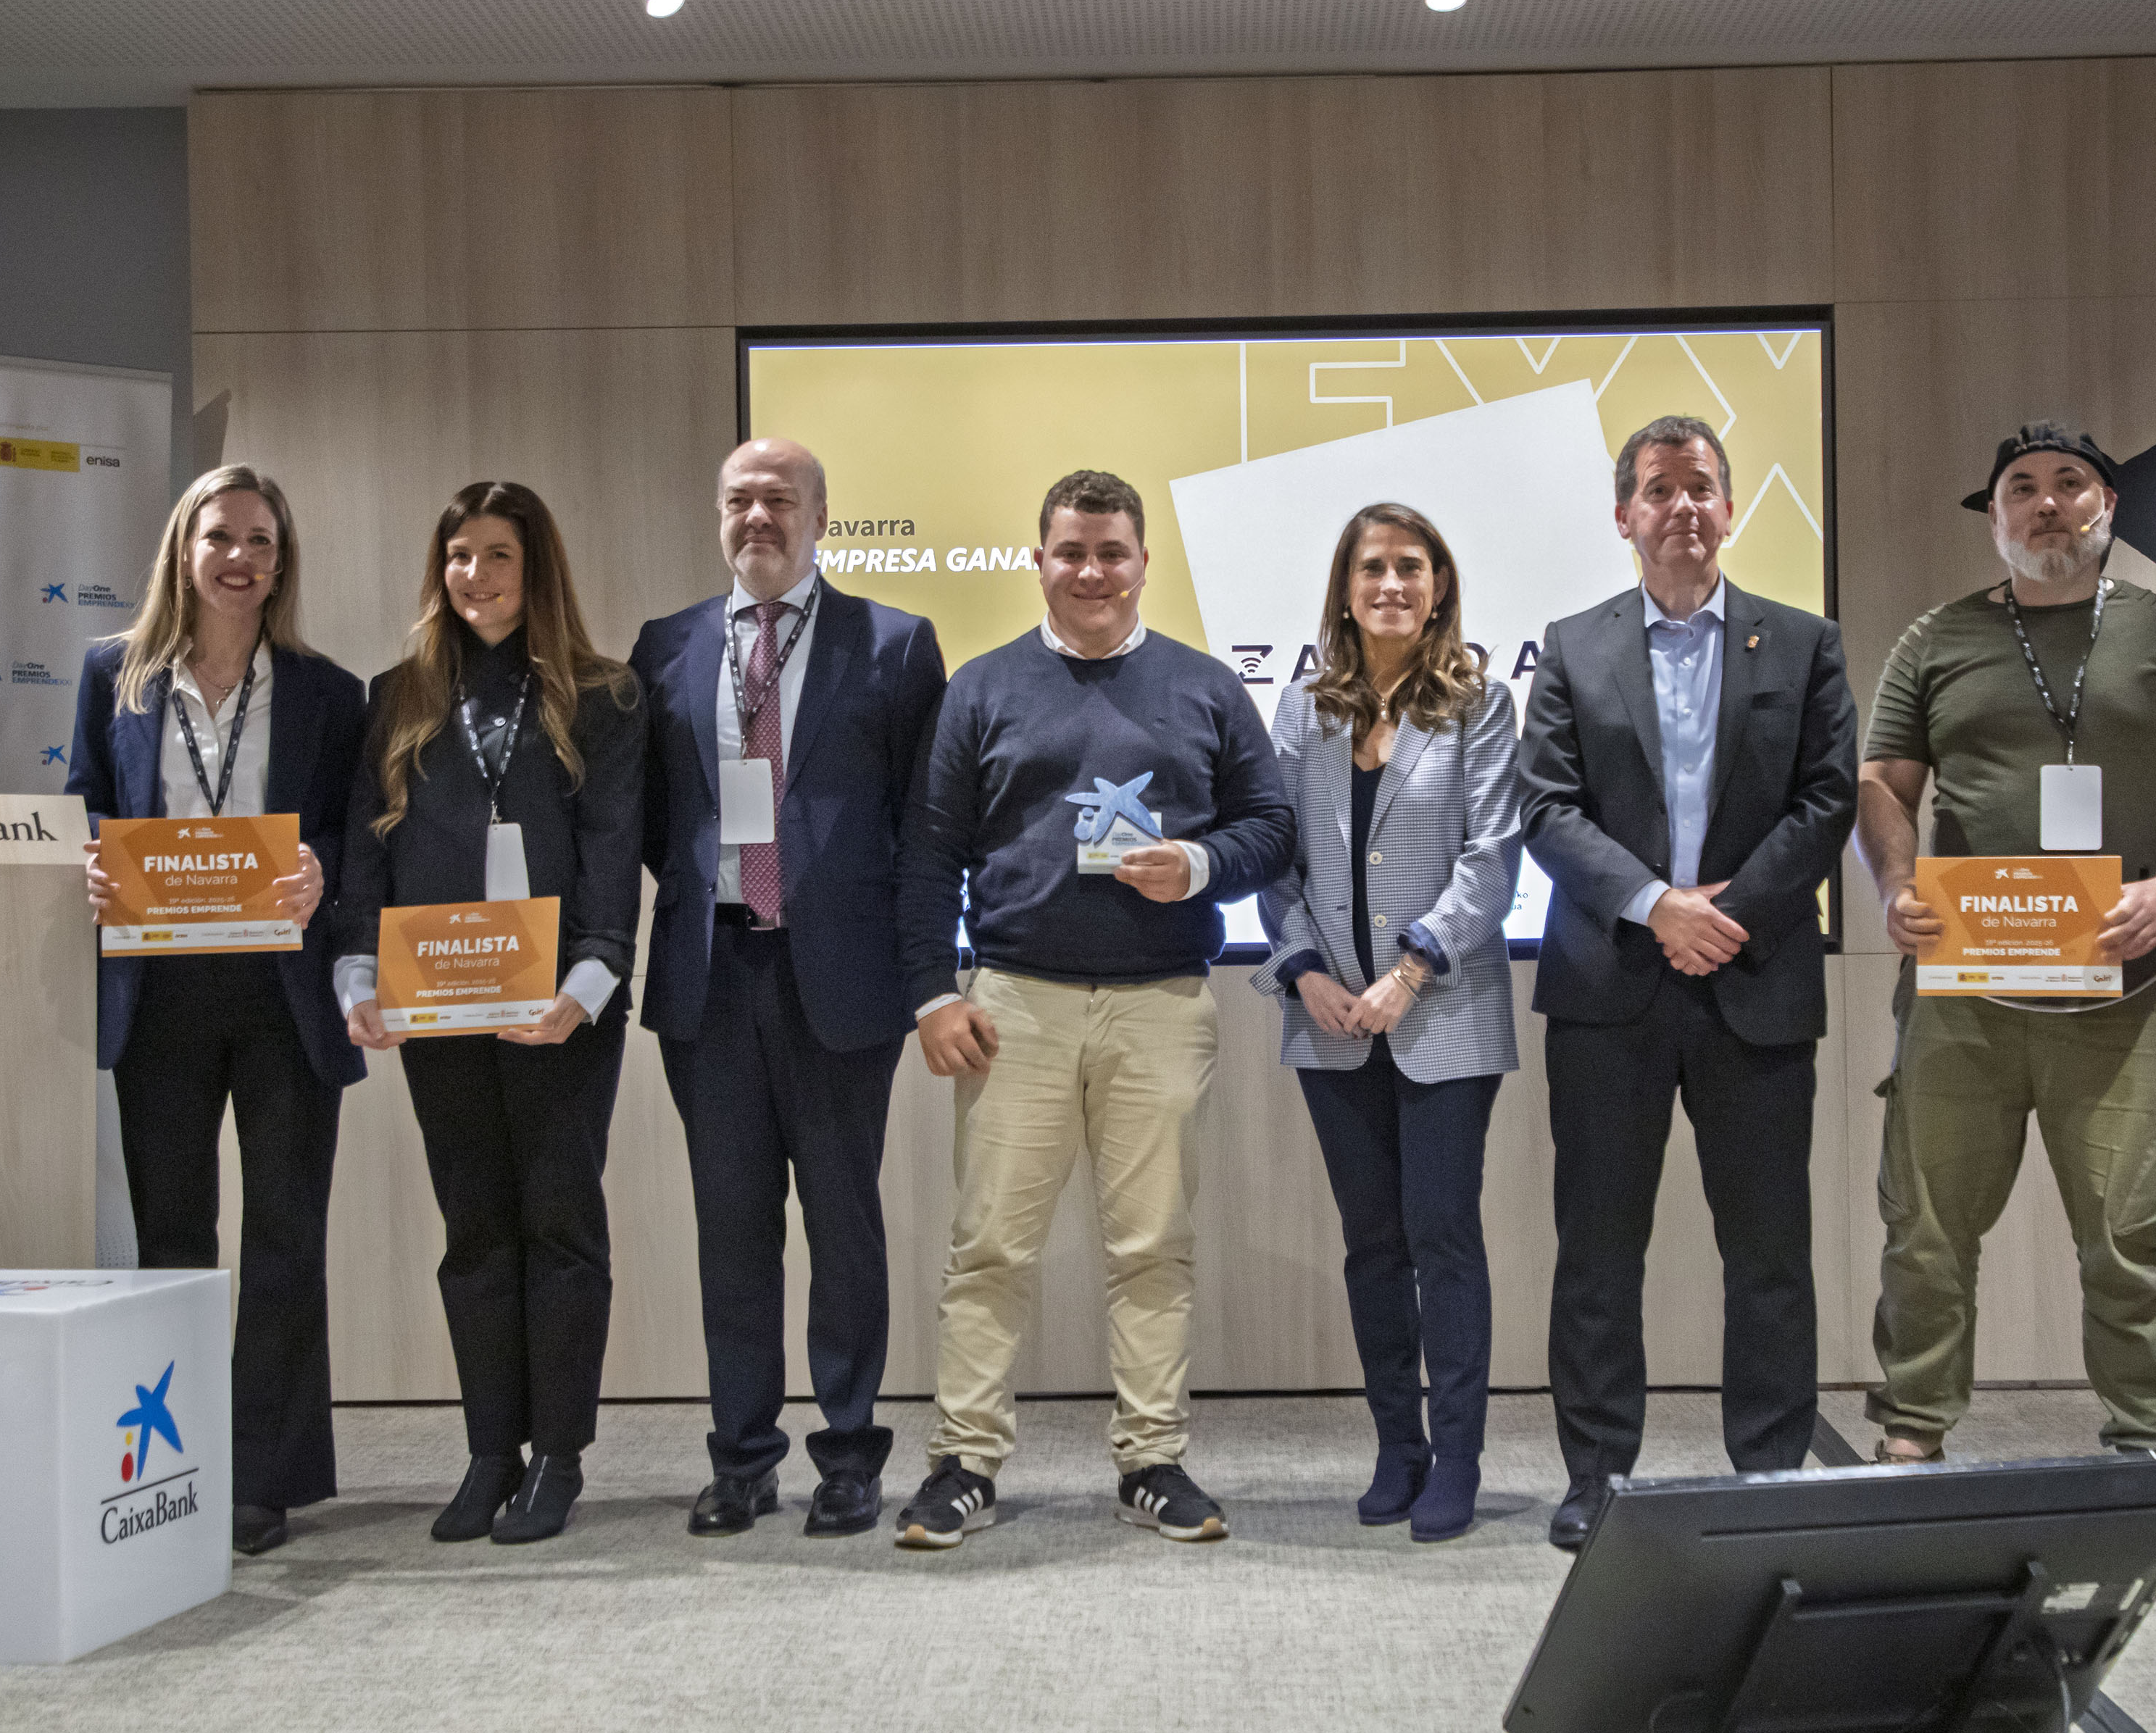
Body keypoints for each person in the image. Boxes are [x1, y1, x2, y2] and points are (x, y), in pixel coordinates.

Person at [1855, 422, 2156, 1499]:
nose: (2047, 505)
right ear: (1994, 518)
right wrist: (1895, 886)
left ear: (2108, 507)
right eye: (2021, 489)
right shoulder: (1933, 639)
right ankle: (1911, 1440)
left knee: (2132, 1237)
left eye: (2070, 486)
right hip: (1963, 994)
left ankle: (2151, 1448)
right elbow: (1884, 787)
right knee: (1928, 1234)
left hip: (2129, 990)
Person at [893, 469, 1297, 1550]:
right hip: (1013, 1003)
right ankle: (964, 1461)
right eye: (1071, 552)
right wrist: (934, 991)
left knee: (1152, 1246)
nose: (1091, 572)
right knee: (988, 1248)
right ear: (1039, 560)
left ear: (1143, 562)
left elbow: (1273, 828)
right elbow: (929, 855)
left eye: (1111, 552)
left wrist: (1204, 863)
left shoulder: (1206, 687)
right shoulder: (979, 689)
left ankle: (1152, 1459)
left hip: (1161, 1003)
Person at [1519, 414, 1857, 1551]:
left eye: (1701, 487)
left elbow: (1827, 801)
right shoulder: (1571, 645)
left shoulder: (1804, 642)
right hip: (1609, 986)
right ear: (1625, 516)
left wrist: (1724, 916)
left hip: (1755, 980)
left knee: (1766, 1252)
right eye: (1658, 491)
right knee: (1600, 1251)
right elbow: (1546, 809)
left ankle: (1768, 1470)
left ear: (1731, 506)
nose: (1683, 509)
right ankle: (1597, 1478)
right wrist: (1656, 906)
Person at [632, 438, 946, 1540]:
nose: (757, 516)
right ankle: (742, 1456)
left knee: (844, 1223)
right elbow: (646, 820)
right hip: (709, 976)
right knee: (732, 1228)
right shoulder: (665, 646)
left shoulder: (897, 645)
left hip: (842, 981)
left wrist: (928, 976)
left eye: (779, 499)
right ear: (717, 513)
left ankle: (851, 1455)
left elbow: (924, 829)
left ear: (821, 515)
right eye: (739, 499)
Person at [337, 480, 647, 1547]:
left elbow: (614, 859)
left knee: (560, 1222)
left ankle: (558, 1455)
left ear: (537, 568)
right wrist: (358, 983)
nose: (478, 576)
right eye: (461, 555)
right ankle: (488, 1453)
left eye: (499, 556)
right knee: (473, 1230)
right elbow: (361, 857)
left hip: (563, 1008)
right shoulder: (398, 695)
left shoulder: (603, 697)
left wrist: (588, 988)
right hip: (440, 1007)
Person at [69, 463, 368, 1560]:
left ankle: (264, 1478)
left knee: (288, 1236)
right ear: (182, 550)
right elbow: (84, 802)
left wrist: (320, 874)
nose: (241, 558)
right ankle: (173, 1464)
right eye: (221, 537)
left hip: (282, 986)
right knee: (174, 1235)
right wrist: (88, 866)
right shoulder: (113, 674)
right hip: (160, 987)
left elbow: (349, 831)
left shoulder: (330, 690)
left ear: (281, 563)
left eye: (262, 542)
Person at [1254, 503, 1522, 1544]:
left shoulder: (1481, 704)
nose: (1392, 584)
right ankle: (1397, 1449)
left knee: (1443, 1238)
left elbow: (1492, 858)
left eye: (1412, 567)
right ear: (1346, 586)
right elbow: (1274, 855)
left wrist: (1409, 974)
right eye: (1373, 568)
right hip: (1330, 1017)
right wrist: (1302, 968)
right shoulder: (1304, 710)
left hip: (1442, 1009)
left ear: (1440, 585)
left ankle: (1457, 1458)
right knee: (1372, 1244)